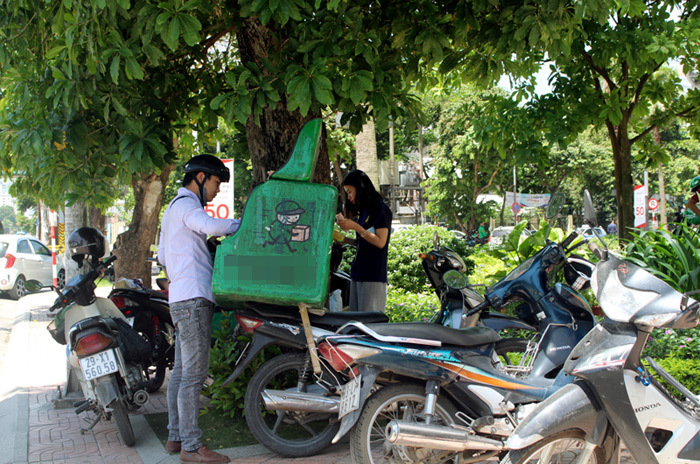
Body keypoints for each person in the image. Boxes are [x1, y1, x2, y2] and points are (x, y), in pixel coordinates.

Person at [157, 154, 240, 463]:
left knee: (180, 373)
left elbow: (164, 256)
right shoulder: (186, 207)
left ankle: (175, 437)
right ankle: (192, 446)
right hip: (193, 299)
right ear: (202, 177)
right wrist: (242, 224)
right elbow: (206, 224)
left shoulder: (171, 210)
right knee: (193, 375)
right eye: (217, 183)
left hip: (180, 298)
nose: (217, 190)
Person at [336, 170, 392, 312]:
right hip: (358, 273)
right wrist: (345, 240)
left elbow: (380, 242)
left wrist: (355, 226)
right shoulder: (365, 211)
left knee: (368, 324)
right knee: (356, 321)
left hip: (372, 276)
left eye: (349, 192)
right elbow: (364, 242)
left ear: (360, 188)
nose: (348, 197)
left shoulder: (380, 209)